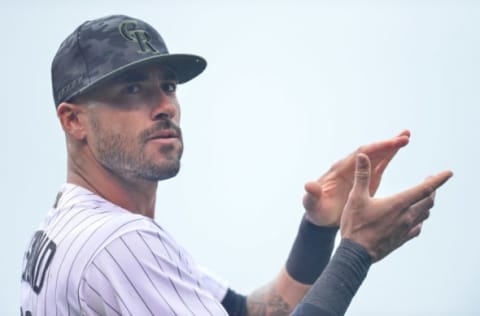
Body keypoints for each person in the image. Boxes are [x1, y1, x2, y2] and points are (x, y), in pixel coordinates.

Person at [20, 14, 452, 316]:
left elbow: (250, 312)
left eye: (167, 86)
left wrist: (320, 229)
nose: (164, 106)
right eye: (132, 89)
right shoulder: (118, 242)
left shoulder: (71, 223)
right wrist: (358, 250)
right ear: (73, 120)